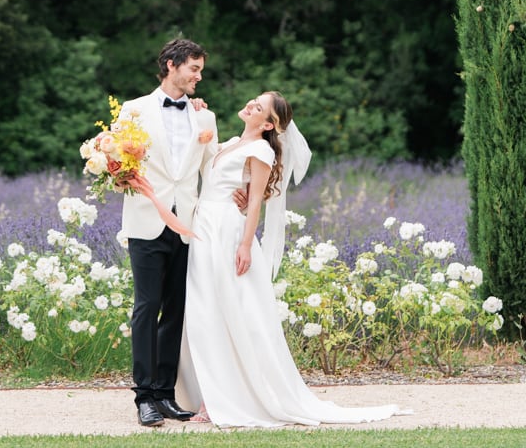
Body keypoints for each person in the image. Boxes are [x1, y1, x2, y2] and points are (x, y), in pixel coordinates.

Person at [175, 91, 408, 428]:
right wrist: (196, 110)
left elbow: (255, 202)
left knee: (227, 314)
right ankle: (212, 394)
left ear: (269, 124)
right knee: (204, 312)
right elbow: (209, 166)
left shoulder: (261, 150)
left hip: (226, 234)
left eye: (260, 106)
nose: (252, 104)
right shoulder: (230, 143)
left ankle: (225, 400)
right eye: (254, 99)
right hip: (204, 229)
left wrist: (244, 246)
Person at [118, 37, 218, 428]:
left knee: (176, 309)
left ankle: (165, 395)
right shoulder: (134, 110)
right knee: (147, 307)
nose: (198, 77)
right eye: (194, 69)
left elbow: (211, 167)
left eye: (201, 70)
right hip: (146, 219)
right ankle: (143, 397)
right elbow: (117, 164)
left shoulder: (204, 117)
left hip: (188, 223)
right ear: (172, 66)